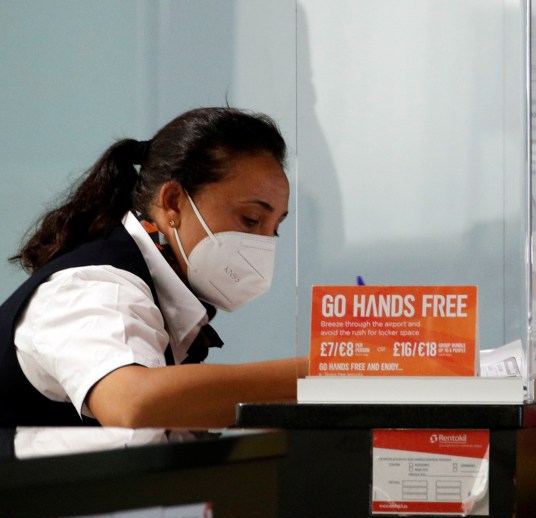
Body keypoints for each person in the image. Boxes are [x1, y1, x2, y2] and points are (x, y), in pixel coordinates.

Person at [0, 107, 307, 458]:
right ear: (173, 201)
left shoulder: (163, 298)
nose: (264, 244)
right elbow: (133, 403)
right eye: (251, 219)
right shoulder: (96, 286)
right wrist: (320, 372)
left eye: (275, 228)